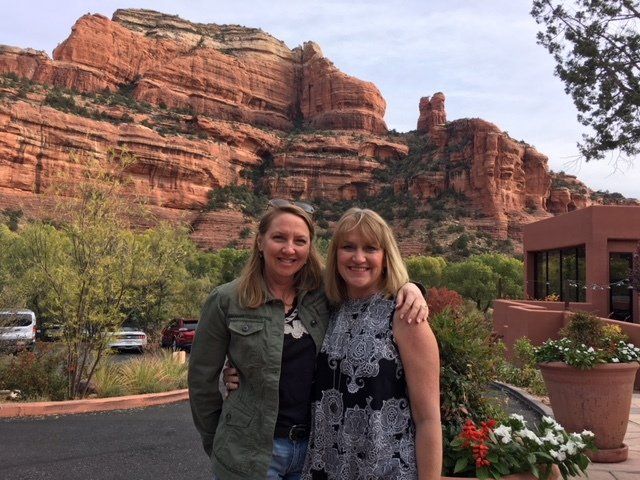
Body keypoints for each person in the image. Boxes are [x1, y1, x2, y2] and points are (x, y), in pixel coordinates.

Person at [188, 200, 428, 480]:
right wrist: (218, 443)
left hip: (314, 456)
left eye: (300, 241)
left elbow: (367, 288)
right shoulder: (227, 300)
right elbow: (201, 381)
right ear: (260, 242)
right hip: (250, 454)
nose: (289, 249)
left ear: (309, 248)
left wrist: (412, 288)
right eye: (279, 237)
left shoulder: (323, 297)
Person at [302, 208, 442, 479]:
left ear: (386, 257)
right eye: (348, 247)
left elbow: (428, 420)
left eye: (370, 248)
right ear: (335, 255)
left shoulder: (405, 316)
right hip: (326, 468)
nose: (358, 258)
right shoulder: (330, 309)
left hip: (384, 471)